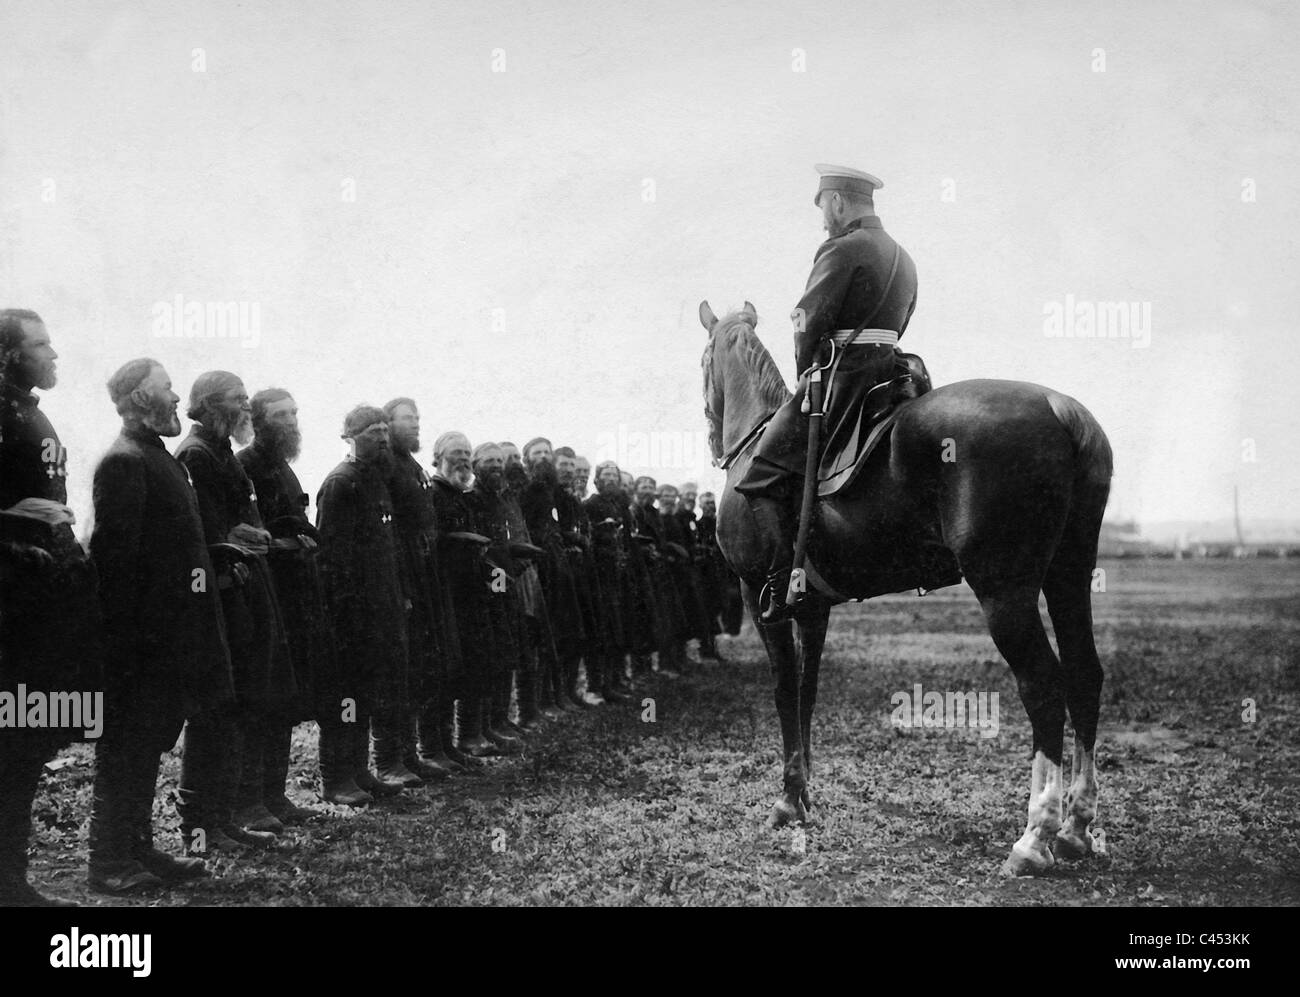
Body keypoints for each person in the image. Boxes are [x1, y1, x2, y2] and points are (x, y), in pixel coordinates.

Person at [735, 164, 918, 622]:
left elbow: (806, 321)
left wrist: (804, 373)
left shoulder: (839, 248)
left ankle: (782, 585)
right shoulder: (904, 256)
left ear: (837, 201)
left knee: (759, 475)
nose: (823, 219)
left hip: (844, 376)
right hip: (892, 371)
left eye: (823, 207)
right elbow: (906, 317)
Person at [88, 358, 232, 892]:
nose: (177, 397)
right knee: (125, 746)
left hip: (168, 635)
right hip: (141, 642)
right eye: (168, 388)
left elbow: (167, 546)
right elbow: (115, 562)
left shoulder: (160, 459)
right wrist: (129, 644)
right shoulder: (124, 462)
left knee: (147, 743)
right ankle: (108, 864)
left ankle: (138, 851)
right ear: (142, 399)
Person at [0, 309, 103, 904]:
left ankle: (11, 877)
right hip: (13, 596)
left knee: (29, 740)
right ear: (7, 354)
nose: (53, 353)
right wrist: (14, 539)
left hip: (44, 592)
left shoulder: (30, 410)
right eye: (39, 345)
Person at [175, 372, 294, 848]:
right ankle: (201, 825)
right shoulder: (196, 454)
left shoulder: (220, 451)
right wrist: (233, 535)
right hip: (223, 592)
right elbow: (200, 530)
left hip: (246, 586)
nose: (246, 408)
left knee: (243, 701)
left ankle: (221, 817)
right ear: (207, 404)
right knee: (217, 709)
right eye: (237, 400)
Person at [237, 389, 339, 809]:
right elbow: (248, 536)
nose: (291, 421)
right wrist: (286, 546)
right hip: (266, 594)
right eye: (280, 415)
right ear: (258, 422)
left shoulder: (283, 467)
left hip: (295, 597)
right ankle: (249, 800)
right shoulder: (247, 466)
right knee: (262, 700)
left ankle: (273, 796)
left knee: (284, 699)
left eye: (294, 413)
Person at [315, 406, 410, 798]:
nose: (383, 437)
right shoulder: (340, 483)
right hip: (351, 613)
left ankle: (358, 771)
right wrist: (347, 611)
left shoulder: (375, 482)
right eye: (373, 431)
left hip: (380, 609)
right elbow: (331, 556)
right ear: (350, 436)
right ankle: (337, 779)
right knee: (346, 695)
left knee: (367, 689)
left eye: (386, 430)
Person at [384, 398, 460, 779]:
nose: (414, 423)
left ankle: (418, 753)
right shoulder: (387, 467)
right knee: (405, 671)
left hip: (425, 575)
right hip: (404, 577)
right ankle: (394, 758)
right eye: (406, 418)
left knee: (426, 667)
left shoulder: (413, 467)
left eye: (417, 417)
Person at [428, 431, 496, 757]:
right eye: (456, 451)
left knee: (474, 661)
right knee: (446, 668)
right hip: (446, 593)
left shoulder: (462, 497)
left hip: (471, 592)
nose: (464, 458)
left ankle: (467, 737)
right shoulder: (434, 493)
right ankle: (437, 747)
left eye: (467, 452)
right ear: (439, 456)